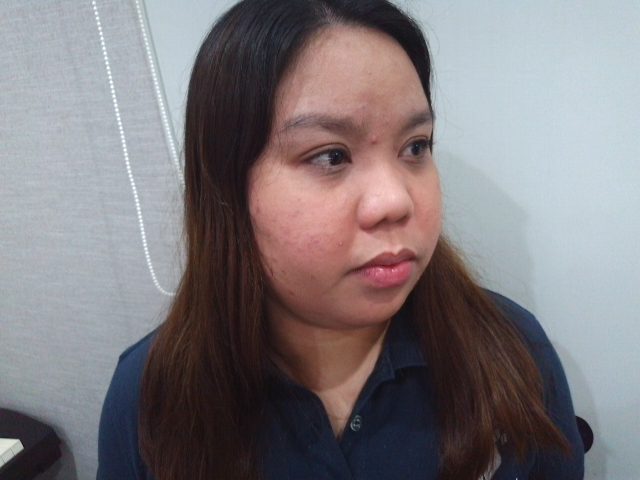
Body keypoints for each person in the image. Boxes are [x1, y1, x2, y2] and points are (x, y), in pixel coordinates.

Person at [97, 0, 585, 479]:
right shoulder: (151, 393)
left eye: (415, 146)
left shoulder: (510, 349)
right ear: (227, 186)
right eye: (331, 156)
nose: (395, 201)